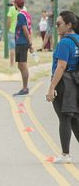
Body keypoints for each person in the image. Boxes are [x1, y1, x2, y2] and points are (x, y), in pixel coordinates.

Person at [45, 11, 79, 164]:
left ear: (69, 25)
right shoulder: (77, 39)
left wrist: (51, 88)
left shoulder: (64, 42)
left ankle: (65, 154)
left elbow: (61, 66)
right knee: (74, 119)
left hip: (64, 83)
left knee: (65, 118)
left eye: (59, 24)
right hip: (75, 82)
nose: (56, 26)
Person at [13, 0, 33, 96]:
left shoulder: (20, 15)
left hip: (21, 43)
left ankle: (25, 88)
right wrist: (30, 41)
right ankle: (24, 87)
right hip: (22, 42)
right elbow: (30, 29)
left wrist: (30, 43)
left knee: (23, 65)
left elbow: (25, 29)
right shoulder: (27, 15)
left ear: (16, 5)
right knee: (20, 65)